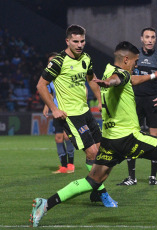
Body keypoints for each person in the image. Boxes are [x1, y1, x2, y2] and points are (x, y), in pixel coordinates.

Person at [29, 41, 157, 227]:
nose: (137, 64)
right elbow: (120, 79)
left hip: (109, 141)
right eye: (135, 61)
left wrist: (152, 76)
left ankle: (45, 204)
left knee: (92, 181)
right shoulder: (118, 75)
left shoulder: (109, 68)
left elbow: (128, 79)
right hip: (129, 138)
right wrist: (109, 83)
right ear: (126, 60)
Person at [36, 24, 117, 208]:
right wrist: (54, 108)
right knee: (93, 153)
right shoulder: (58, 62)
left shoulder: (86, 58)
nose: (79, 44)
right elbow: (41, 85)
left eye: (82, 41)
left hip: (85, 111)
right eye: (75, 41)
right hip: (70, 116)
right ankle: (103, 194)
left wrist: (100, 101)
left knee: (102, 154)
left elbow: (91, 79)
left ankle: (96, 192)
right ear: (67, 41)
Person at [117, 27, 157, 186]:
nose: (150, 40)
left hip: (153, 101)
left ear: (155, 39)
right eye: (147, 37)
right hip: (134, 101)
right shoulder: (133, 57)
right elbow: (124, 76)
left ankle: (153, 176)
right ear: (141, 39)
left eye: (153, 37)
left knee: (154, 137)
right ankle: (132, 177)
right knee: (131, 137)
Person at [42, 52, 76, 174]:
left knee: (67, 136)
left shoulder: (66, 76)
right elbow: (50, 93)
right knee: (58, 138)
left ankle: (71, 164)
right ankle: (63, 166)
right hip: (56, 111)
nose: (52, 64)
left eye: (54, 61)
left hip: (67, 110)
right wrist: (47, 105)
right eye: (50, 62)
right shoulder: (49, 78)